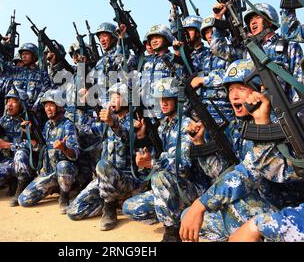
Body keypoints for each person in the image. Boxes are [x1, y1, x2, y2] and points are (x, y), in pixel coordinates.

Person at [180, 59, 304, 242]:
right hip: (254, 201)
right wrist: (200, 143)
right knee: (187, 216)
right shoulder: (236, 128)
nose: (234, 96)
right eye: (230, 90)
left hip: (286, 211)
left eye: (241, 88)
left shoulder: (282, 126)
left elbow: (248, 174)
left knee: (225, 206)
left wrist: (202, 204)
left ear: (258, 91)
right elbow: (222, 173)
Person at [122, 77, 210, 242]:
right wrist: (141, 137)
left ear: (178, 100)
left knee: (159, 176)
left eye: (167, 99)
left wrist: (151, 164)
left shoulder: (188, 125)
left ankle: (172, 232)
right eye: (160, 99)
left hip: (193, 187)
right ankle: (176, 215)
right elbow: (157, 154)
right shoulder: (163, 126)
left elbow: (183, 165)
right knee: (130, 208)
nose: (163, 103)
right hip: (172, 187)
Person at [67, 83, 147, 231]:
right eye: (111, 97)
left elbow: (126, 137)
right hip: (105, 181)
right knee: (74, 211)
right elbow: (85, 129)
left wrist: (113, 123)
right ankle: (111, 200)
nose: (112, 101)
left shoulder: (136, 122)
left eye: (117, 97)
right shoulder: (105, 122)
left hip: (127, 180)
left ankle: (110, 208)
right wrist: (81, 106)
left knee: (102, 165)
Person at [18, 89, 80, 214]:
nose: (48, 109)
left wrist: (64, 149)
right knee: (23, 200)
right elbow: (42, 149)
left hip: (64, 171)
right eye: (46, 106)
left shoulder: (68, 125)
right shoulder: (47, 125)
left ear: (60, 106)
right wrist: (29, 134)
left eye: (51, 105)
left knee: (63, 165)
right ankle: (54, 187)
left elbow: (75, 155)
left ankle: (64, 196)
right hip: (48, 173)